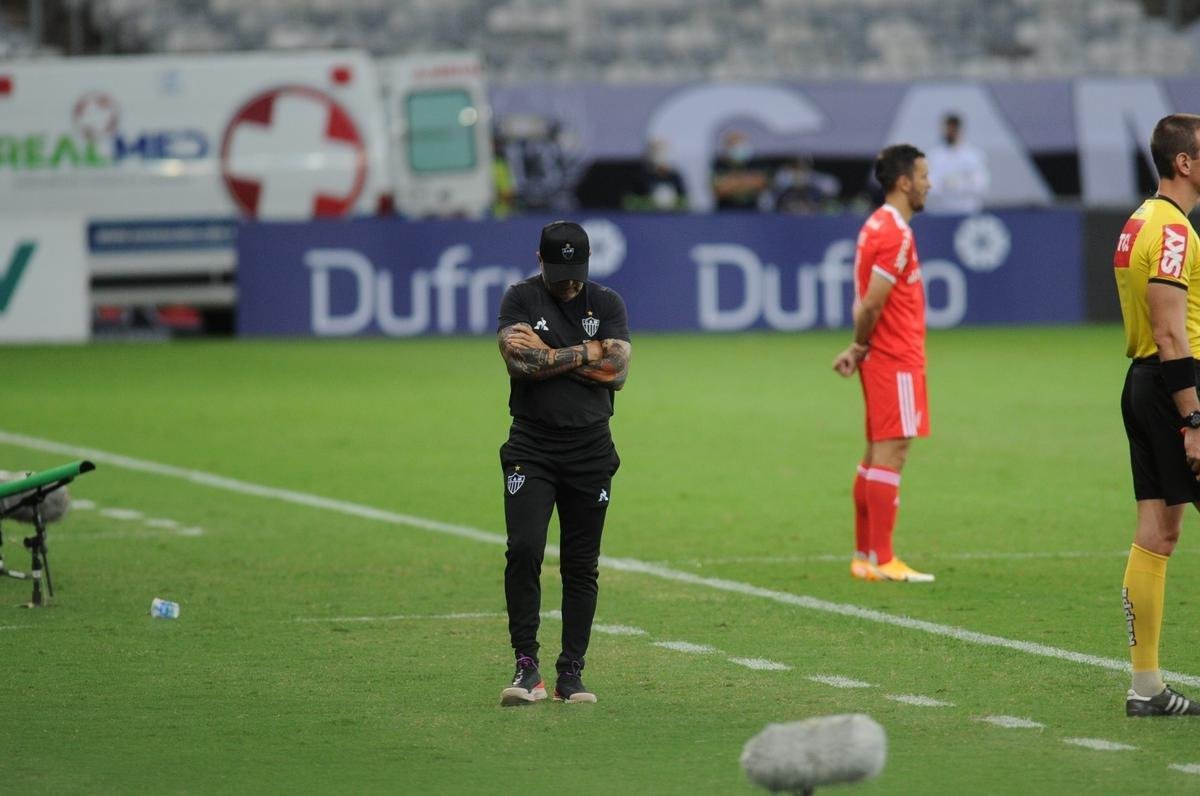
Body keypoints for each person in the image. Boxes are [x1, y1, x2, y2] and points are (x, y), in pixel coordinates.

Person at [495, 220, 632, 706]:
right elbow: (521, 363)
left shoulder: (608, 303)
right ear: (539, 260)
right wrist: (586, 352)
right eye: (559, 273)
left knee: (581, 565)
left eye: (576, 272)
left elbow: (616, 371)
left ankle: (571, 672)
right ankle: (525, 666)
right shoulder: (520, 300)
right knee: (525, 549)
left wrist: (553, 354)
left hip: (591, 450)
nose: (569, 282)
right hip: (532, 447)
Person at [1113, 113, 1200, 717]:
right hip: (1176, 390)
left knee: (1157, 534)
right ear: (1184, 163)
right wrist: (1193, 420)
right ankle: (1143, 687)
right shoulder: (1173, 232)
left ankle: (1145, 688)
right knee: (1159, 534)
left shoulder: (1138, 221)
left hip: (1142, 384)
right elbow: (1171, 331)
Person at [832, 144, 935, 583]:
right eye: (924, 176)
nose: (930, 184)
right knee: (893, 452)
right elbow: (872, 304)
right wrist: (858, 346)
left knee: (876, 452)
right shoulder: (895, 232)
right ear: (904, 182)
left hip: (881, 356)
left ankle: (864, 556)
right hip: (895, 356)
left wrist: (860, 348)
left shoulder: (875, 224)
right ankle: (885, 558)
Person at [924, 113, 989, 215]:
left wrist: (959, 185)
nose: (951, 132)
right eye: (948, 128)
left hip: (967, 210)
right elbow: (928, 183)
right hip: (941, 211)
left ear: (959, 129)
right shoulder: (934, 155)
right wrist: (945, 186)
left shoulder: (973, 155)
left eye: (953, 128)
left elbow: (980, 184)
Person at [622, 137, 688, 212]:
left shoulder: (674, 176)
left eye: (663, 152)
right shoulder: (642, 176)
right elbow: (629, 201)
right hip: (647, 218)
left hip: (672, 218)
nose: (660, 156)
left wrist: (673, 204)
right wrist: (650, 203)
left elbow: (685, 201)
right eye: (656, 152)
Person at [711, 130, 770, 211]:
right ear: (727, 147)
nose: (739, 147)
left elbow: (761, 184)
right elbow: (719, 190)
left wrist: (733, 181)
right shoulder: (719, 164)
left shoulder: (755, 162)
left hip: (753, 211)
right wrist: (746, 181)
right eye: (735, 144)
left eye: (742, 143)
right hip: (725, 211)